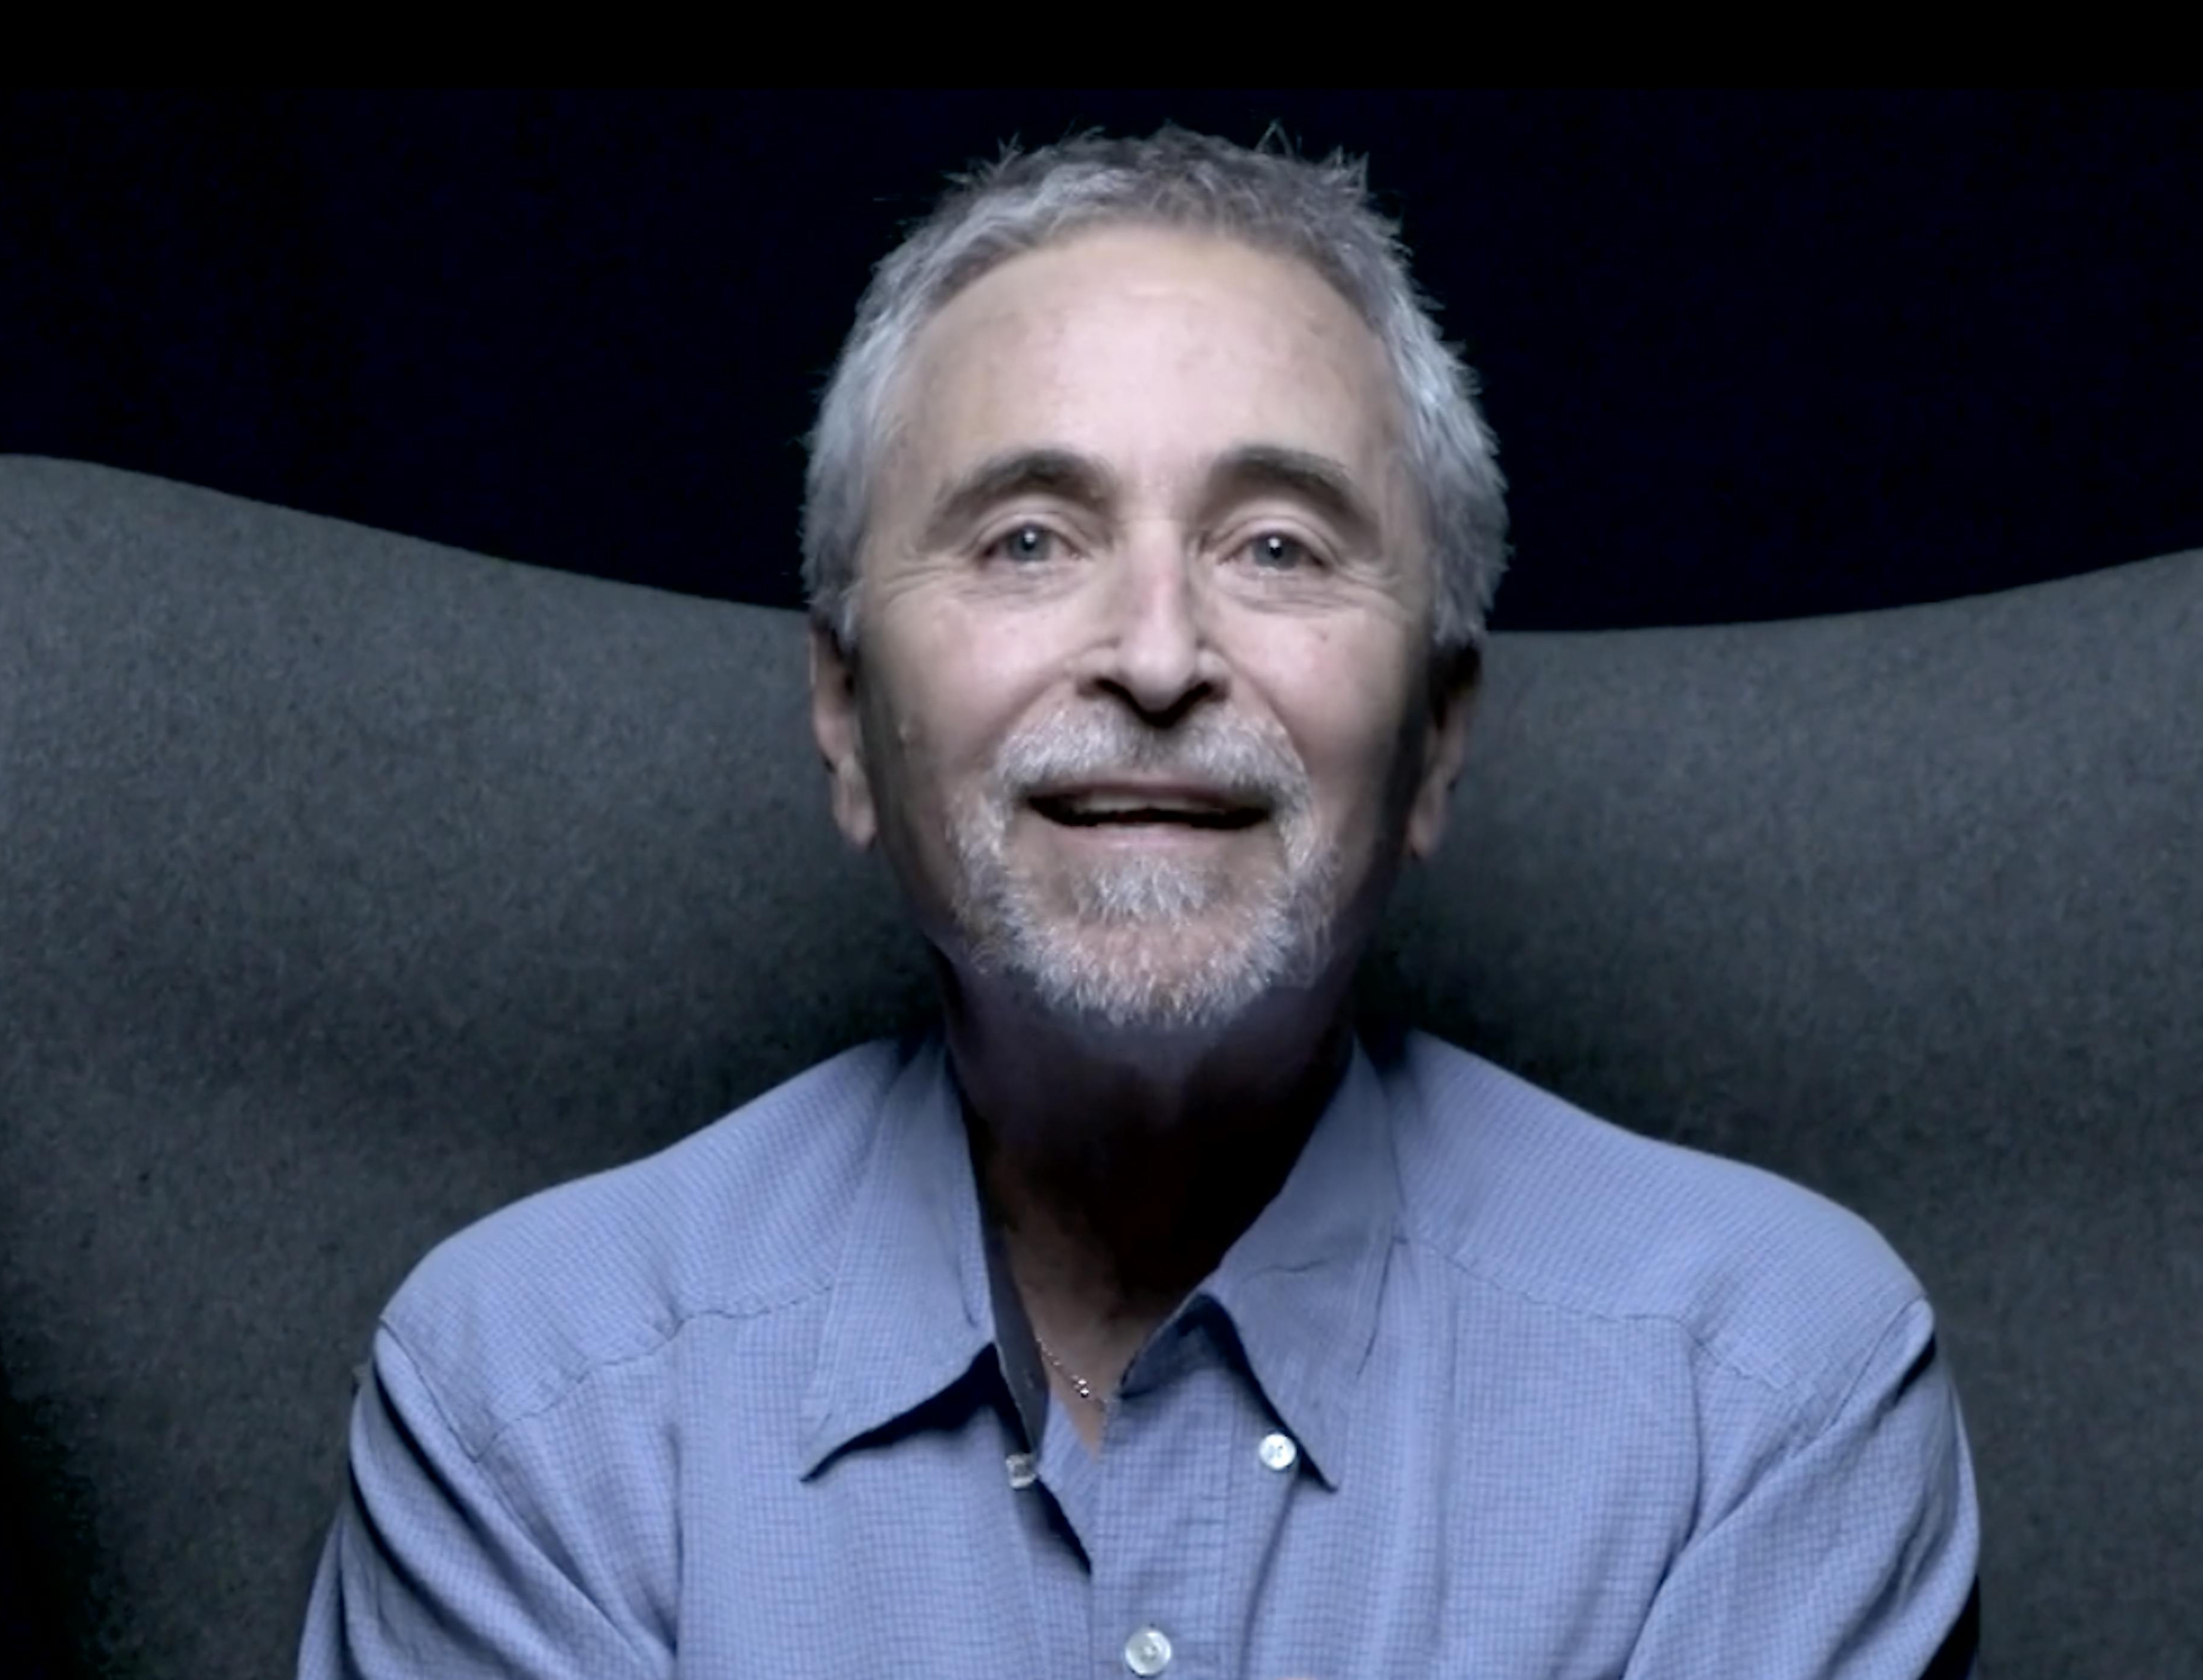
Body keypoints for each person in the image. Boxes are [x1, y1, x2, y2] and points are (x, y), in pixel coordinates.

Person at [298, 127, 1981, 1678]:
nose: (1161, 657)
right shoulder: (535, 1406)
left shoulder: (1763, 1398)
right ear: (846, 719)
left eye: (1279, 547)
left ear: (1440, 737)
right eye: (1029, 541)